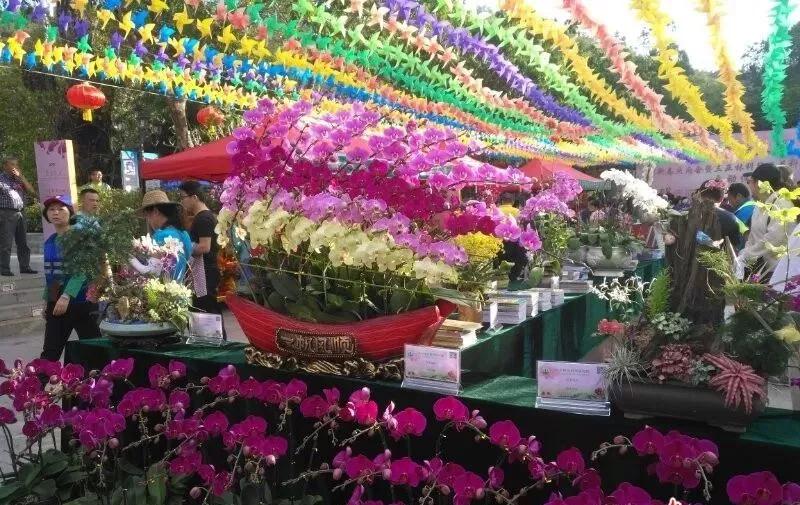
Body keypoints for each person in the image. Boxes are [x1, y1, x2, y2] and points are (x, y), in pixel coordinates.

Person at [40, 195, 100, 361]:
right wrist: (48, 300)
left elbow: (81, 269)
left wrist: (66, 295)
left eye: (61, 209)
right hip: (57, 303)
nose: (56, 213)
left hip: (81, 302)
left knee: (95, 349)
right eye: (51, 209)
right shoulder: (50, 241)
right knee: (50, 352)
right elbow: (52, 274)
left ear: (71, 213)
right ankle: (41, 378)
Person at [739, 163, 794, 275]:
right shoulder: (759, 204)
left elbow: (773, 239)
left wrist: (747, 255)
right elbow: (753, 237)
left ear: (758, 184)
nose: (749, 186)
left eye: (750, 181)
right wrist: (744, 254)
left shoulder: (782, 203)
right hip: (762, 270)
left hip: (781, 272)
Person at [178, 181, 222, 318]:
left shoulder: (204, 218)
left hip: (205, 272)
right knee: (204, 311)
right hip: (202, 271)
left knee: (207, 311)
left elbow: (205, 247)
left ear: (194, 197)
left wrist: (182, 247)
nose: (182, 202)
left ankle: (215, 332)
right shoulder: (202, 217)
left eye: (183, 197)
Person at [139, 190, 193, 281]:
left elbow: (152, 272)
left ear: (155, 211)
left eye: (148, 216)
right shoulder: (184, 233)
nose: (148, 221)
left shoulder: (161, 235)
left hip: (161, 288)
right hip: (179, 287)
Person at [0, 158, 37, 276]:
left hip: (21, 212)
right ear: (5, 166)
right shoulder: (1, 179)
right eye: (12, 164)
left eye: (16, 164)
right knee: (6, 242)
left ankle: (25, 266)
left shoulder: (19, 179)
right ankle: (4, 268)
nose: (14, 166)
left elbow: (32, 191)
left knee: (23, 242)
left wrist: (21, 177)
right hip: (7, 213)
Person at [697, 179, 743, 250]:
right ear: (722, 198)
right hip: (719, 255)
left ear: (700, 195)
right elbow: (735, 247)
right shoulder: (730, 218)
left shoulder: (687, 214)